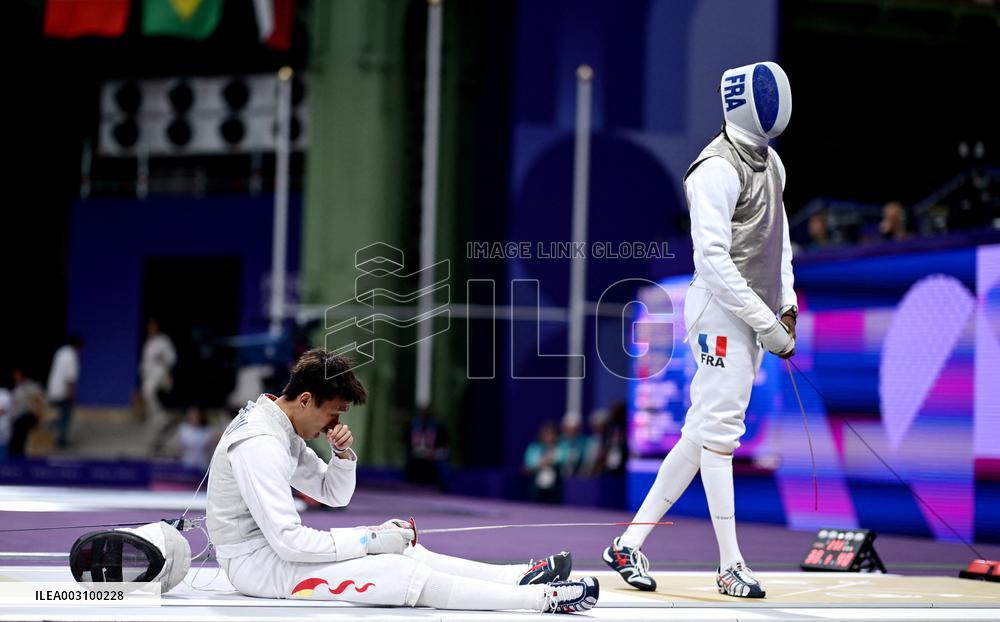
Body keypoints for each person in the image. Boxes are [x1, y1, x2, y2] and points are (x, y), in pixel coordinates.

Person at [602, 61, 797, 599]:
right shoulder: (712, 169)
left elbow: (779, 240)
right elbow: (711, 260)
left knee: (701, 433)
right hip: (718, 314)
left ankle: (628, 543)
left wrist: (789, 306)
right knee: (719, 439)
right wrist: (766, 322)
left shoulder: (772, 162)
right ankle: (730, 564)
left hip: (752, 315)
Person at [206, 348, 598, 613]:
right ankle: (542, 600)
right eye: (332, 416)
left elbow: (332, 495)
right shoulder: (261, 443)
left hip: (272, 551)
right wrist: (370, 538)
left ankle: (519, 576)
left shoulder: (284, 429)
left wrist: (342, 457)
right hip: (256, 565)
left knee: (407, 552)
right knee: (395, 573)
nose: (334, 426)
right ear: (306, 399)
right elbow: (290, 543)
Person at [141, 318, 178, 455]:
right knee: (150, 404)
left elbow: (172, 358)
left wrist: (162, 356)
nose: (151, 329)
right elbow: (145, 363)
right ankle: (159, 421)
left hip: (160, 376)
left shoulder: (164, 341)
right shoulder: (149, 342)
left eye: (153, 326)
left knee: (150, 393)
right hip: (149, 376)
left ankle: (162, 418)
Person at [47, 336, 83, 448]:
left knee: (62, 415)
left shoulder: (61, 352)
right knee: (65, 416)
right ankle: (61, 440)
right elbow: (70, 378)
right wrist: (71, 394)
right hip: (63, 391)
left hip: (54, 389)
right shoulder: (71, 355)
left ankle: (53, 430)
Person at [523, 421, 564, 504]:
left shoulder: (561, 447)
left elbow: (562, 460)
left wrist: (548, 459)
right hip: (536, 486)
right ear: (542, 435)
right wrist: (542, 462)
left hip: (555, 488)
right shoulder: (534, 448)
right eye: (547, 434)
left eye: (552, 434)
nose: (549, 437)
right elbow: (528, 464)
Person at [8, 368, 46, 458]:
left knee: (21, 425)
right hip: (18, 418)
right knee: (16, 430)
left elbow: (38, 401)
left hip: (29, 416)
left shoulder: (30, 386)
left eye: (17, 374)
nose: (15, 376)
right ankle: (15, 453)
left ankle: (19, 453)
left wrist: (39, 416)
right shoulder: (16, 388)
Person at [176, 406, 215, 471]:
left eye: (196, 415)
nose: (194, 417)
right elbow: (180, 447)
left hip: (201, 466)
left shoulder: (207, 430)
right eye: (192, 414)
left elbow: (210, 449)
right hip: (187, 464)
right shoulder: (183, 428)